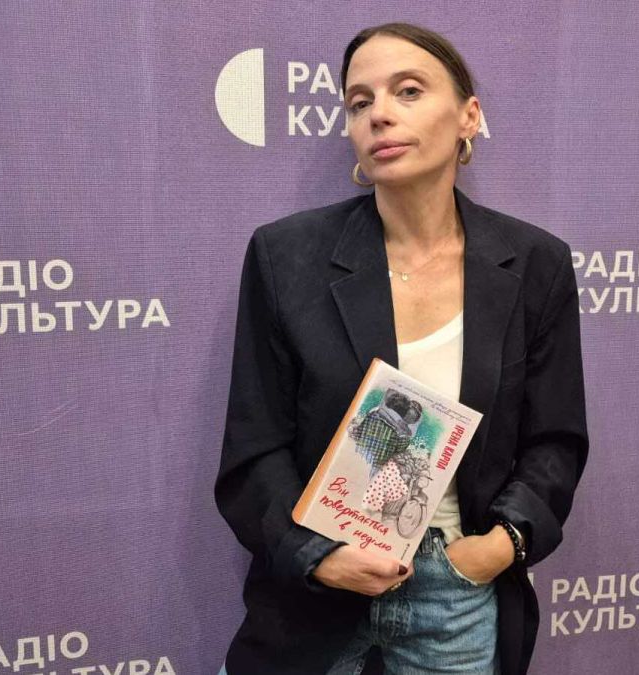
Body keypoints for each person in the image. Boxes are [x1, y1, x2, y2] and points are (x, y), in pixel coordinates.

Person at [215, 22, 589, 675]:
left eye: (408, 91)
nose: (379, 114)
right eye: (359, 101)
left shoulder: (537, 264)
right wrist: (317, 557)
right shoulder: (285, 256)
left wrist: (501, 544)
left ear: (468, 116)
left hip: (456, 595)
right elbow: (255, 449)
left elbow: (555, 440)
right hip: (314, 598)